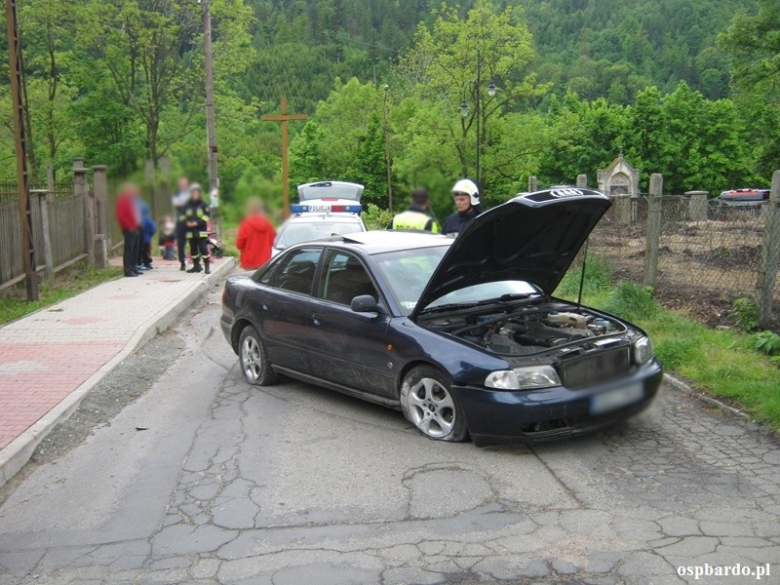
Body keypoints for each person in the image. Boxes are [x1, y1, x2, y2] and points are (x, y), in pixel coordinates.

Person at [236, 197, 276, 269]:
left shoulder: (246, 224)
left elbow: (239, 245)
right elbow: (272, 242)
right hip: (265, 262)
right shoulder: (268, 224)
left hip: (249, 262)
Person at [181, 183, 211, 274]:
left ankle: (207, 266)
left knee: (203, 248)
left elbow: (207, 216)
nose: (195, 194)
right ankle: (196, 266)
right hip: (190, 231)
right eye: (193, 193)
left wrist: (197, 223)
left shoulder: (203, 204)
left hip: (201, 230)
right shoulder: (187, 204)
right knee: (193, 249)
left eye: (196, 193)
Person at [116, 183, 143, 277]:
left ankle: (133, 267)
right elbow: (122, 216)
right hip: (129, 228)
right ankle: (128, 270)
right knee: (129, 249)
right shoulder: (123, 200)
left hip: (136, 227)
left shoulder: (131, 200)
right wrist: (129, 226)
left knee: (135, 249)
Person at [172, 176, 190, 271]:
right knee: (181, 243)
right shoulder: (176, 194)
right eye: (181, 184)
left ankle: (195, 262)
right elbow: (177, 205)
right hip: (181, 223)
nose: (183, 185)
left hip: (190, 222)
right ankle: (182, 262)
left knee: (193, 242)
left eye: (184, 184)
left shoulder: (190, 194)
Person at [137, 203, 157, 270]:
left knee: (141, 252)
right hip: (147, 238)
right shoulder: (147, 219)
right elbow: (153, 228)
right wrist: (150, 235)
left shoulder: (139, 219)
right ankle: (146, 263)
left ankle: (142, 263)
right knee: (146, 252)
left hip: (140, 238)